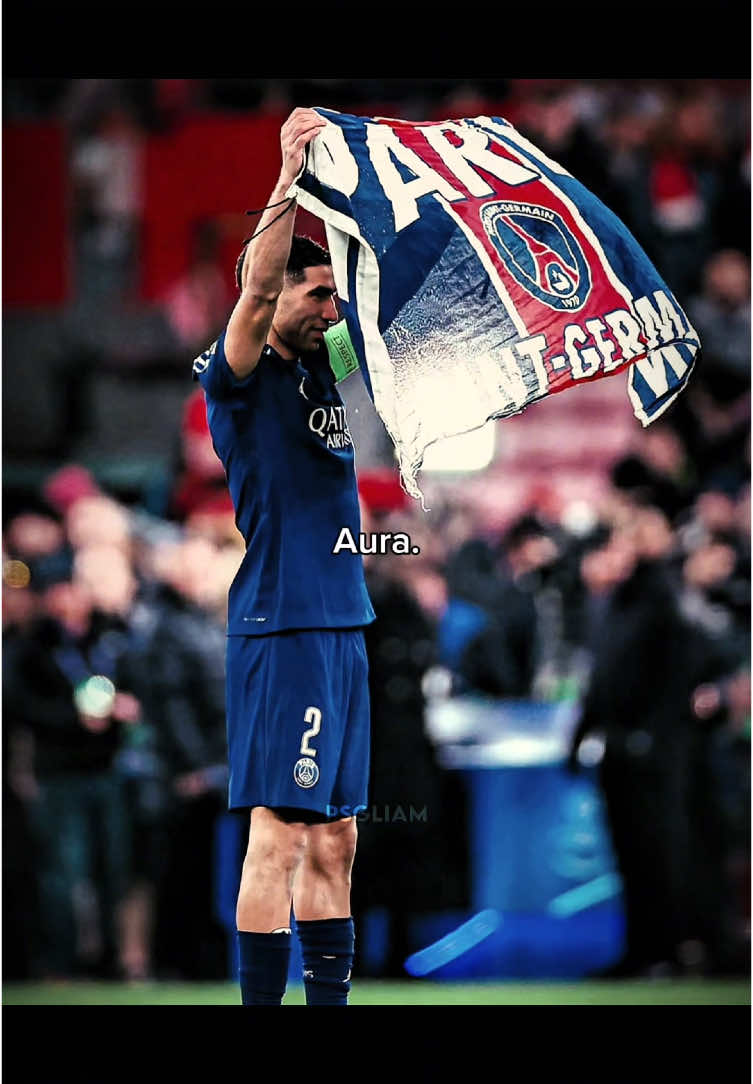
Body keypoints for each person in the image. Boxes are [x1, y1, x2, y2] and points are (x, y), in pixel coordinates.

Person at [192, 107, 376, 1006]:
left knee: (336, 838)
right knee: (281, 834)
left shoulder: (321, 364)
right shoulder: (238, 375)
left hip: (342, 624)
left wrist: (349, 204)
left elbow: (373, 308)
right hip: (284, 623)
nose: (327, 311)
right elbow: (259, 293)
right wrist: (287, 180)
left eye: (330, 298)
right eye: (315, 296)